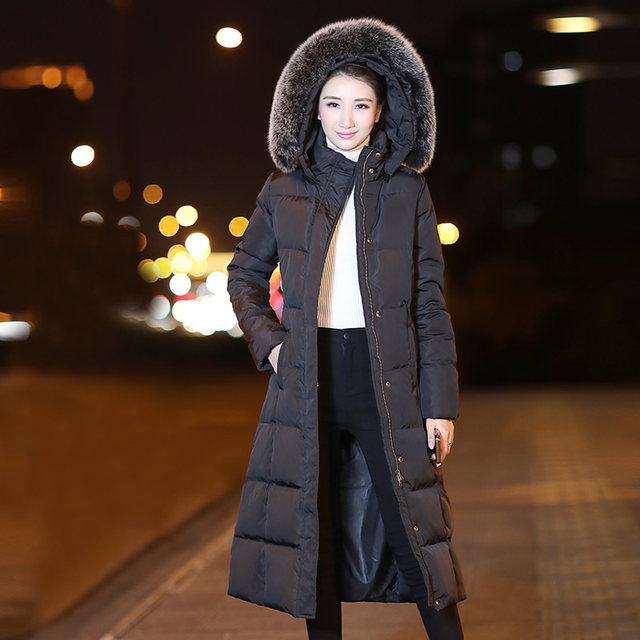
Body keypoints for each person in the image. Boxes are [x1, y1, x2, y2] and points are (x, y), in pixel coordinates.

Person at [226, 17, 466, 639]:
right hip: (308, 373)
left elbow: (429, 303)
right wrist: (274, 347)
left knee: (418, 533)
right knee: (315, 536)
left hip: (385, 378)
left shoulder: (408, 191)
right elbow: (244, 275)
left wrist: (440, 405)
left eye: (361, 104)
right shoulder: (285, 188)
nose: (346, 119)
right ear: (313, 107)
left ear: (381, 110)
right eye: (333, 103)